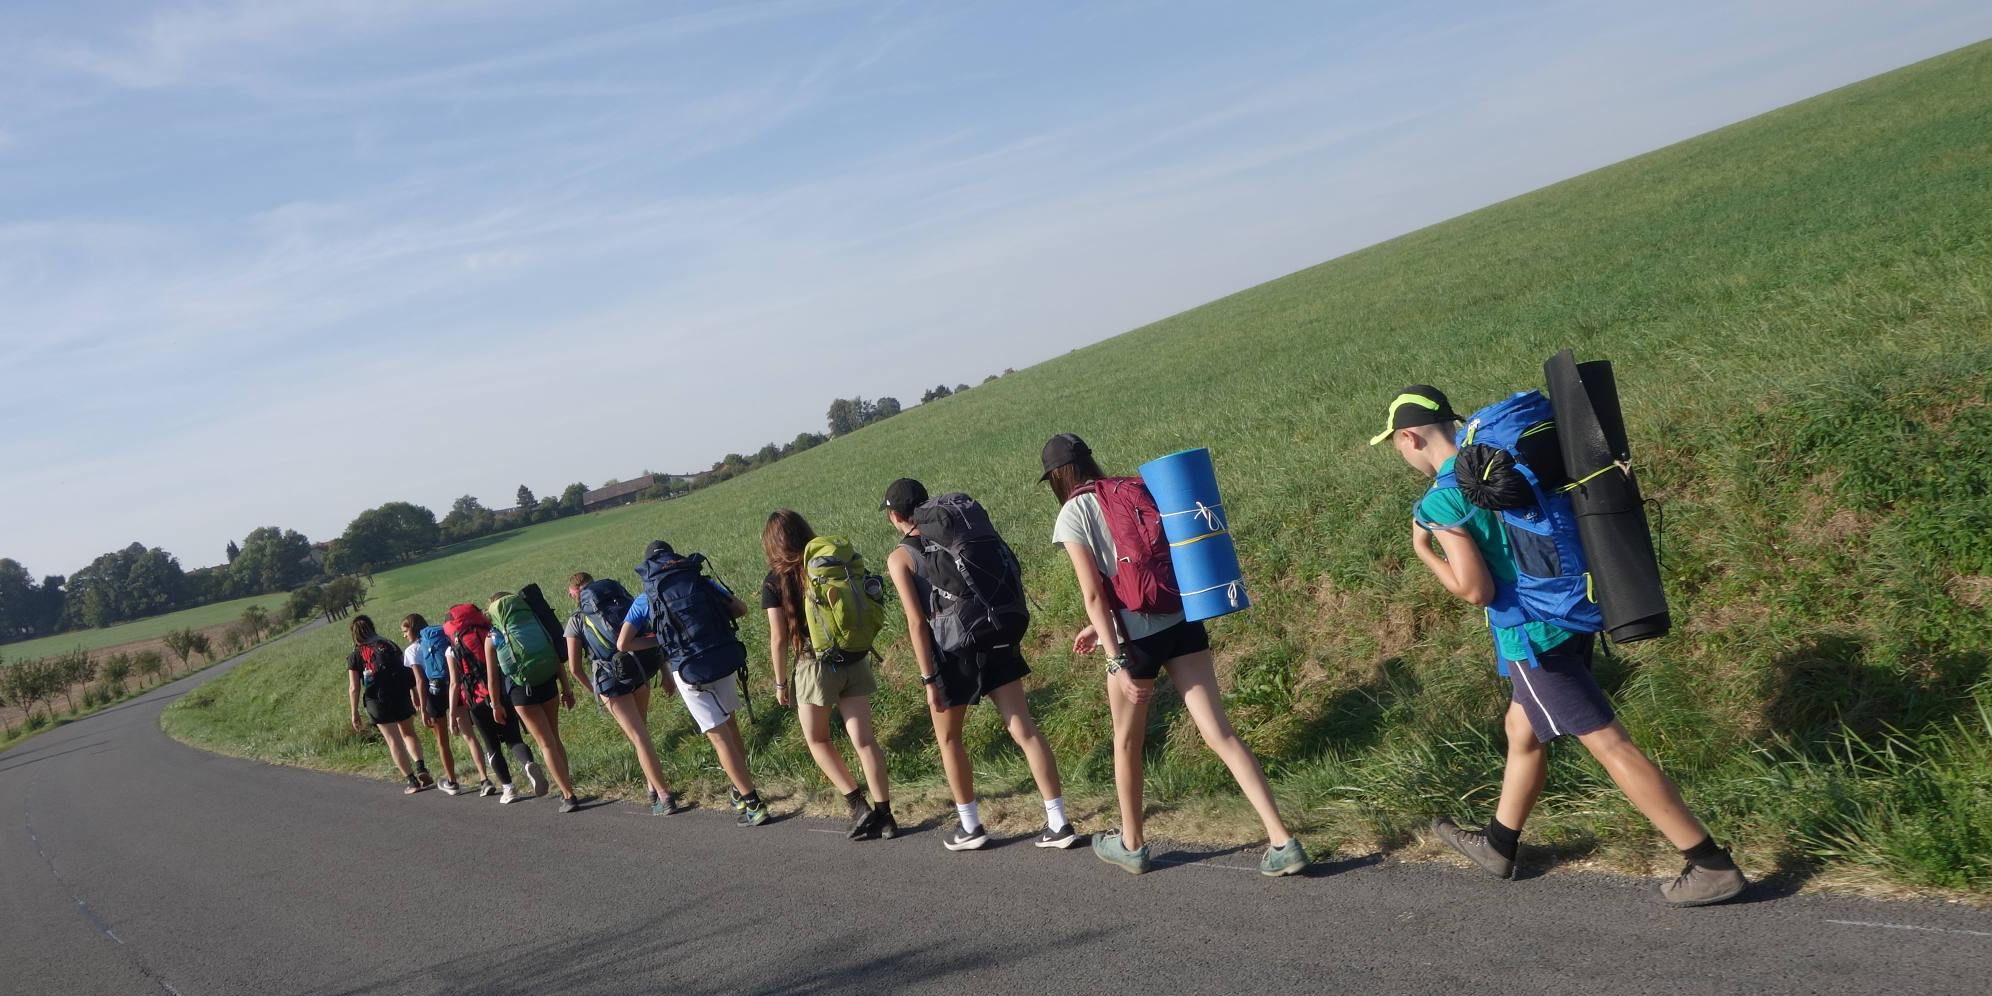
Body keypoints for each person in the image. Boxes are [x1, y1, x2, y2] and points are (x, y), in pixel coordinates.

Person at [1373, 385, 1746, 906]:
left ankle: (1709, 864)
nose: (1399, 453)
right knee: (1520, 726)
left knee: (1608, 743)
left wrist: (1422, 547)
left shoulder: (1442, 499)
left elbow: (1474, 589)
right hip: (1568, 612)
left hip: (1528, 634)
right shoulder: (1498, 460)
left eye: (1395, 444)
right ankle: (1500, 844)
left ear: (1409, 437)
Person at [1042, 433, 1309, 877]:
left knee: (1126, 742)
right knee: (1220, 732)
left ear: (1055, 477)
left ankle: (1131, 843)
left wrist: (1115, 659)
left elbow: (1093, 592)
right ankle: (1283, 840)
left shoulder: (1074, 511)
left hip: (1135, 640)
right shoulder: (1133, 490)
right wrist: (1102, 625)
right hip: (1182, 619)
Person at [881, 478, 1079, 851]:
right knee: (1023, 728)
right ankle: (1059, 821)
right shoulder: (958, 532)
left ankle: (971, 827)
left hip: (951, 650)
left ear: (895, 516)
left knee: (950, 738)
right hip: (993, 631)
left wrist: (928, 678)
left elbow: (915, 622)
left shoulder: (899, 558)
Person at [617, 542, 771, 827]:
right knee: (731, 724)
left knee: (718, 736)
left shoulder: (645, 598)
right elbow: (741, 608)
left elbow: (623, 643)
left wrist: (659, 640)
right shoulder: (700, 580)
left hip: (687, 668)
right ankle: (739, 789)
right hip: (721, 655)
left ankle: (753, 803)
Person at [762, 511, 895, 840]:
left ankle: (856, 805)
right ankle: (886, 816)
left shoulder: (774, 579)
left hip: (814, 665)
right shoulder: (828, 565)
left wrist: (780, 682)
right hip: (853, 656)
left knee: (818, 740)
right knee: (865, 741)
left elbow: (778, 638)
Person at [565, 572, 682, 816]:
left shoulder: (576, 621)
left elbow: (575, 669)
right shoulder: (619, 602)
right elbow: (647, 633)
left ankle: (664, 795)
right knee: (643, 732)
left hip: (610, 682)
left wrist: (596, 692)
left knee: (639, 737)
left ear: (573, 595)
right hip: (639, 669)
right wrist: (666, 673)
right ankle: (652, 788)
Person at [485, 592, 584, 813]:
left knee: (545, 743)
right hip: (548, 682)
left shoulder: (492, 637)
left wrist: (496, 705)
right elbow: (556, 658)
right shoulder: (534, 622)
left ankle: (568, 795)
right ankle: (568, 788)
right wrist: (566, 689)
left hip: (521, 692)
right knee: (555, 739)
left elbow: (493, 678)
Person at [443, 602, 540, 804]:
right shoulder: (490, 633)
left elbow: (454, 684)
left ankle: (509, 789)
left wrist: (452, 715)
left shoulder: (452, 648)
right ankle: (528, 762)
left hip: (476, 701)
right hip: (502, 694)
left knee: (492, 746)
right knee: (514, 739)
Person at [344, 615, 433, 795]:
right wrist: (414, 693)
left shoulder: (356, 654)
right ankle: (421, 766)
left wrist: (354, 712)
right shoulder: (389, 645)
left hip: (376, 700)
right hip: (400, 693)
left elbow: (354, 687)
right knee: (408, 733)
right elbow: (407, 669)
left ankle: (412, 781)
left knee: (393, 740)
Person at [400, 613, 484, 795]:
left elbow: (420, 681)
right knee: (469, 735)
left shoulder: (411, 651)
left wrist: (423, 708)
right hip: (453, 686)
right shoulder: (440, 637)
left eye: (405, 631)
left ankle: (452, 782)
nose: (404, 635)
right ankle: (484, 778)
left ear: (412, 629)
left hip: (433, 693)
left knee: (442, 742)